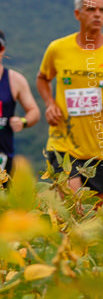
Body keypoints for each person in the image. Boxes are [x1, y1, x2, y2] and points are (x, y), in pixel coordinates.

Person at [37, 0, 103, 201]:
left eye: (101, 10)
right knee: (73, 206)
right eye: (91, 9)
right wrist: (49, 103)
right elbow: (42, 78)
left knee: (96, 220)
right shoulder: (58, 48)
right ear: (77, 14)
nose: (97, 15)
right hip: (62, 143)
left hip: (100, 147)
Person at [0, 29, 41, 183]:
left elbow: (34, 111)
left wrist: (23, 122)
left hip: (3, 157)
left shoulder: (15, 80)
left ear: (3, 50)